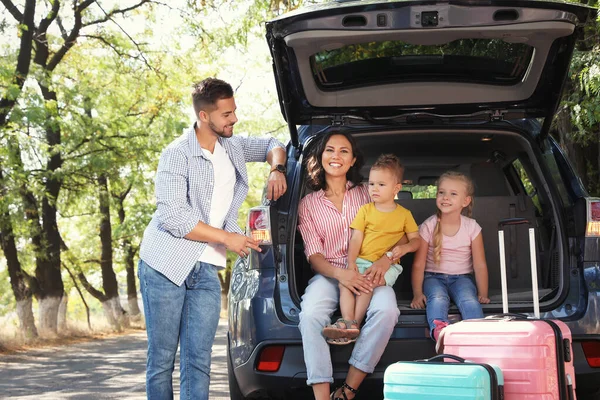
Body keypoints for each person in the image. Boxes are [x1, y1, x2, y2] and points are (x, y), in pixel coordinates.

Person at [137, 77, 287, 400]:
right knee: (162, 360)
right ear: (204, 117)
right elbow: (175, 218)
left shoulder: (232, 145)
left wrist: (278, 170)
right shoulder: (175, 155)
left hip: (206, 270)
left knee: (198, 361)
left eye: (233, 111)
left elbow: (273, 144)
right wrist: (228, 239)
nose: (234, 119)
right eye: (226, 114)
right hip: (165, 265)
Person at [297, 131, 401, 400]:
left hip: (369, 270)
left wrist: (385, 258)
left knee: (387, 311)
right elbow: (314, 256)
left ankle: (349, 390)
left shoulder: (369, 193)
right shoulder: (308, 205)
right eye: (330, 150)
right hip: (330, 273)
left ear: (353, 159)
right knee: (310, 315)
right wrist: (342, 274)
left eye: (344, 151)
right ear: (321, 157)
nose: (336, 156)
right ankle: (321, 394)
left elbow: (396, 228)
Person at [322, 154, 420, 343]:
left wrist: (406, 248)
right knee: (346, 283)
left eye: (381, 185)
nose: (374, 189)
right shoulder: (365, 210)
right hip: (361, 260)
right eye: (372, 184)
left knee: (366, 283)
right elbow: (356, 238)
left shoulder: (404, 215)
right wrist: (351, 262)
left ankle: (354, 325)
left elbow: (417, 241)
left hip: (389, 267)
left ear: (396, 189)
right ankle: (347, 321)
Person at [410, 171, 490, 346]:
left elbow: (480, 264)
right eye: (441, 192)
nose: (445, 197)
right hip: (433, 277)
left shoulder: (472, 227)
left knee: (469, 298)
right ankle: (440, 332)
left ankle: (478, 333)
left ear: (466, 201)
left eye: (453, 194)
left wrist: (483, 293)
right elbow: (419, 264)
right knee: (438, 298)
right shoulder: (428, 226)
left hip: (462, 278)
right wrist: (417, 294)